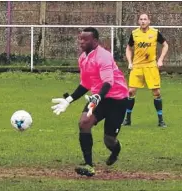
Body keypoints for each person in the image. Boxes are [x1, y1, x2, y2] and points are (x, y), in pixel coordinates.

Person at [50, 27, 129, 177]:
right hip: (98, 98)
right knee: (84, 123)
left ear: (95, 41)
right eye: (80, 39)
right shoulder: (82, 58)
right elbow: (85, 84)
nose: (81, 42)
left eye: (85, 39)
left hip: (117, 99)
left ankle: (116, 150)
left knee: (109, 140)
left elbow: (108, 82)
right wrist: (68, 100)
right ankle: (89, 165)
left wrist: (98, 96)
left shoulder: (104, 57)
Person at [122, 13, 169, 128]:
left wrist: (160, 60)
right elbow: (128, 48)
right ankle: (127, 119)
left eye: (145, 19)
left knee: (156, 93)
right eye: (141, 19)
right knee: (131, 91)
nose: (143, 21)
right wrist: (130, 62)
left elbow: (165, 45)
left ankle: (161, 120)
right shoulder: (134, 34)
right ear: (138, 21)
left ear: (149, 21)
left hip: (151, 66)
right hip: (137, 66)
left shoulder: (155, 33)